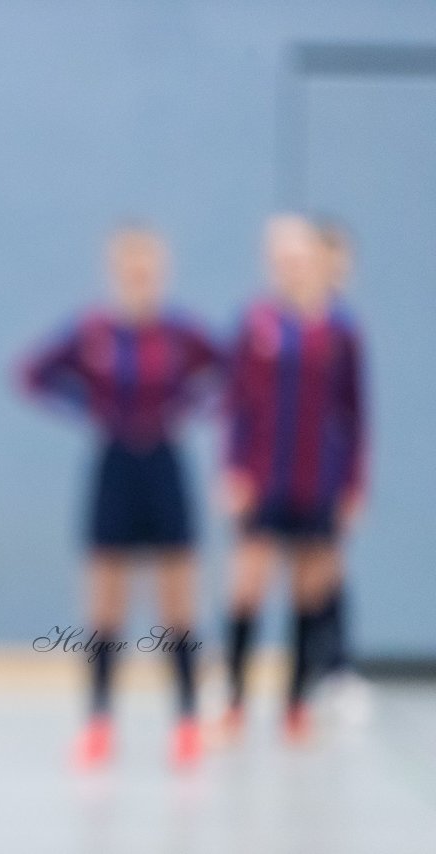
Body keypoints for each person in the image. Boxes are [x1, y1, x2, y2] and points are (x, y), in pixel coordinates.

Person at [18, 225, 221, 768]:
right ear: (114, 271)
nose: (139, 279)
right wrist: (90, 408)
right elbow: (33, 374)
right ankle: (99, 723)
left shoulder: (180, 333)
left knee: (179, 604)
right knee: (105, 605)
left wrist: (188, 407)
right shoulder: (93, 332)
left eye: (148, 269)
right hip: (113, 466)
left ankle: (186, 721)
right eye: (129, 269)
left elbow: (225, 374)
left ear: (161, 272)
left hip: (164, 465)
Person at [222, 214, 367, 742]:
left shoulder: (340, 331)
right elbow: (236, 405)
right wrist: (234, 470)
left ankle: (295, 704)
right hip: (264, 480)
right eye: (281, 260)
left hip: (317, 482)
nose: (291, 268)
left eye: (300, 258)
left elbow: (355, 415)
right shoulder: (256, 323)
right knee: (248, 586)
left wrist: (353, 483)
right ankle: (234, 699)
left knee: (308, 593)